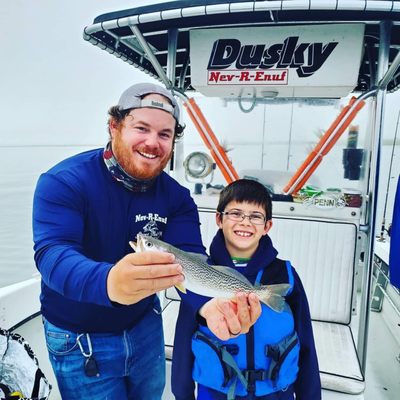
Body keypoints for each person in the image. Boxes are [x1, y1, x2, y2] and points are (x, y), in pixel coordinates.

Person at [32, 83, 261, 400]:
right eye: (142, 128)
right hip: (78, 338)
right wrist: (110, 282)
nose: (153, 142)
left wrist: (213, 306)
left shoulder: (177, 198)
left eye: (165, 134)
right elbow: (52, 255)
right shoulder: (64, 182)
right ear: (115, 126)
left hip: (144, 327)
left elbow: (192, 262)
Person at [172, 179, 321, 400]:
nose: (245, 222)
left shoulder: (285, 275)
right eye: (235, 213)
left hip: (276, 393)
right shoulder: (201, 276)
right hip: (216, 393)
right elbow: (183, 341)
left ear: (267, 226)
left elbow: (305, 341)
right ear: (219, 219)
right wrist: (182, 394)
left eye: (255, 216)